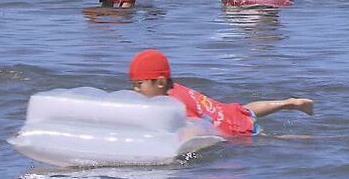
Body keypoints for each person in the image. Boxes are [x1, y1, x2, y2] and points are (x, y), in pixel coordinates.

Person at [129, 49, 314, 137]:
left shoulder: (173, 104)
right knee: (246, 110)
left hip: (236, 128)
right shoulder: (175, 88)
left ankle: (320, 139)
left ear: (160, 82)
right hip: (227, 111)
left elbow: (194, 128)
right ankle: (289, 102)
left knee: (273, 139)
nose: (135, 89)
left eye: (139, 84)